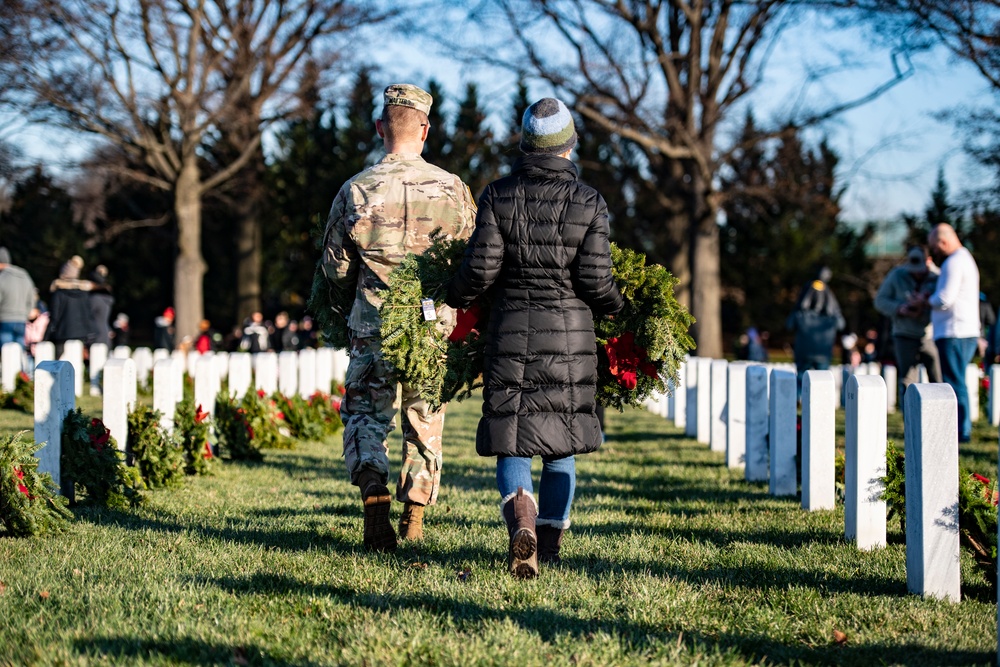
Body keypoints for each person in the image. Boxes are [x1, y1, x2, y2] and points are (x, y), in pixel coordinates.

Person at [447, 97, 623, 578]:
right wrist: (620, 308)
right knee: (560, 445)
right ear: (569, 146)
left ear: (526, 144)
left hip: (509, 333)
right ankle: (547, 544)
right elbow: (595, 282)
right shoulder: (589, 202)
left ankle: (519, 523)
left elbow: (480, 270)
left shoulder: (497, 195)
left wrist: (449, 292)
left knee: (514, 441)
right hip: (570, 340)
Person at [318, 83, 477, 552]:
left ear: (379, 128)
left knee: (368, 415)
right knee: (424, 419)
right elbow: (471, 259)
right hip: (430, 326)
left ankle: (373, 500)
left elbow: (335, 267)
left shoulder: (356, 189)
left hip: (373, 322)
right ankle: (414, 517)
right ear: (425, 129)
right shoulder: (453, 189)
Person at [916, 223, 981, 443]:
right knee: (957, 380)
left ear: (943, 242)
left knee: (955, 382)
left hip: (955, 331)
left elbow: (944, 298)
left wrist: (926, 300)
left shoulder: (954, 262)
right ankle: (962, 427)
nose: (934, 252)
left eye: (935, 247)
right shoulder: (965, 258)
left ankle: (961, 430)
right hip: (964, 330)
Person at [874, 245, 941, 409]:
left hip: (931, 335)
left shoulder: (939, 276)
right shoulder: (897, 275)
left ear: (929, 261)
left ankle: (938, 419)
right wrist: (899, 308)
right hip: (904, 334)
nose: (916, 272)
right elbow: (880, 301)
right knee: (907, 380)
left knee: (938, 380)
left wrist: (924, 304)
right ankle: (910, 421)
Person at [786, 267, 845, 392]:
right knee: (822, 380)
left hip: (803, 351)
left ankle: (799, 399)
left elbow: (789, 325)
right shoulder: (830, 301)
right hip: (823, 352)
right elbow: (841, 325)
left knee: (801, 376)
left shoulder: (800, 311)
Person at [45, 256, 97, 355]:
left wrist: (46, 337)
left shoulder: (59, 294)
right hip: (81, 335)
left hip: (62, 335)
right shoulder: (84, 294)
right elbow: (88, 316)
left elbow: (54, 317)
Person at [0, 247, 37, 347]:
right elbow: (32, 298)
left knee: (6, 351)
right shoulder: (24, 275)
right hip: (22, 320)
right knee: (20, 351)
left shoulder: (2, 277)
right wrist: (26, 313)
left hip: (5, 319)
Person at [89, 265, 114, 348]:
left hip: (95, 335)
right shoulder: (107, 299)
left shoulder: (95, 299)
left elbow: (87, 315)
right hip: (105, 334)